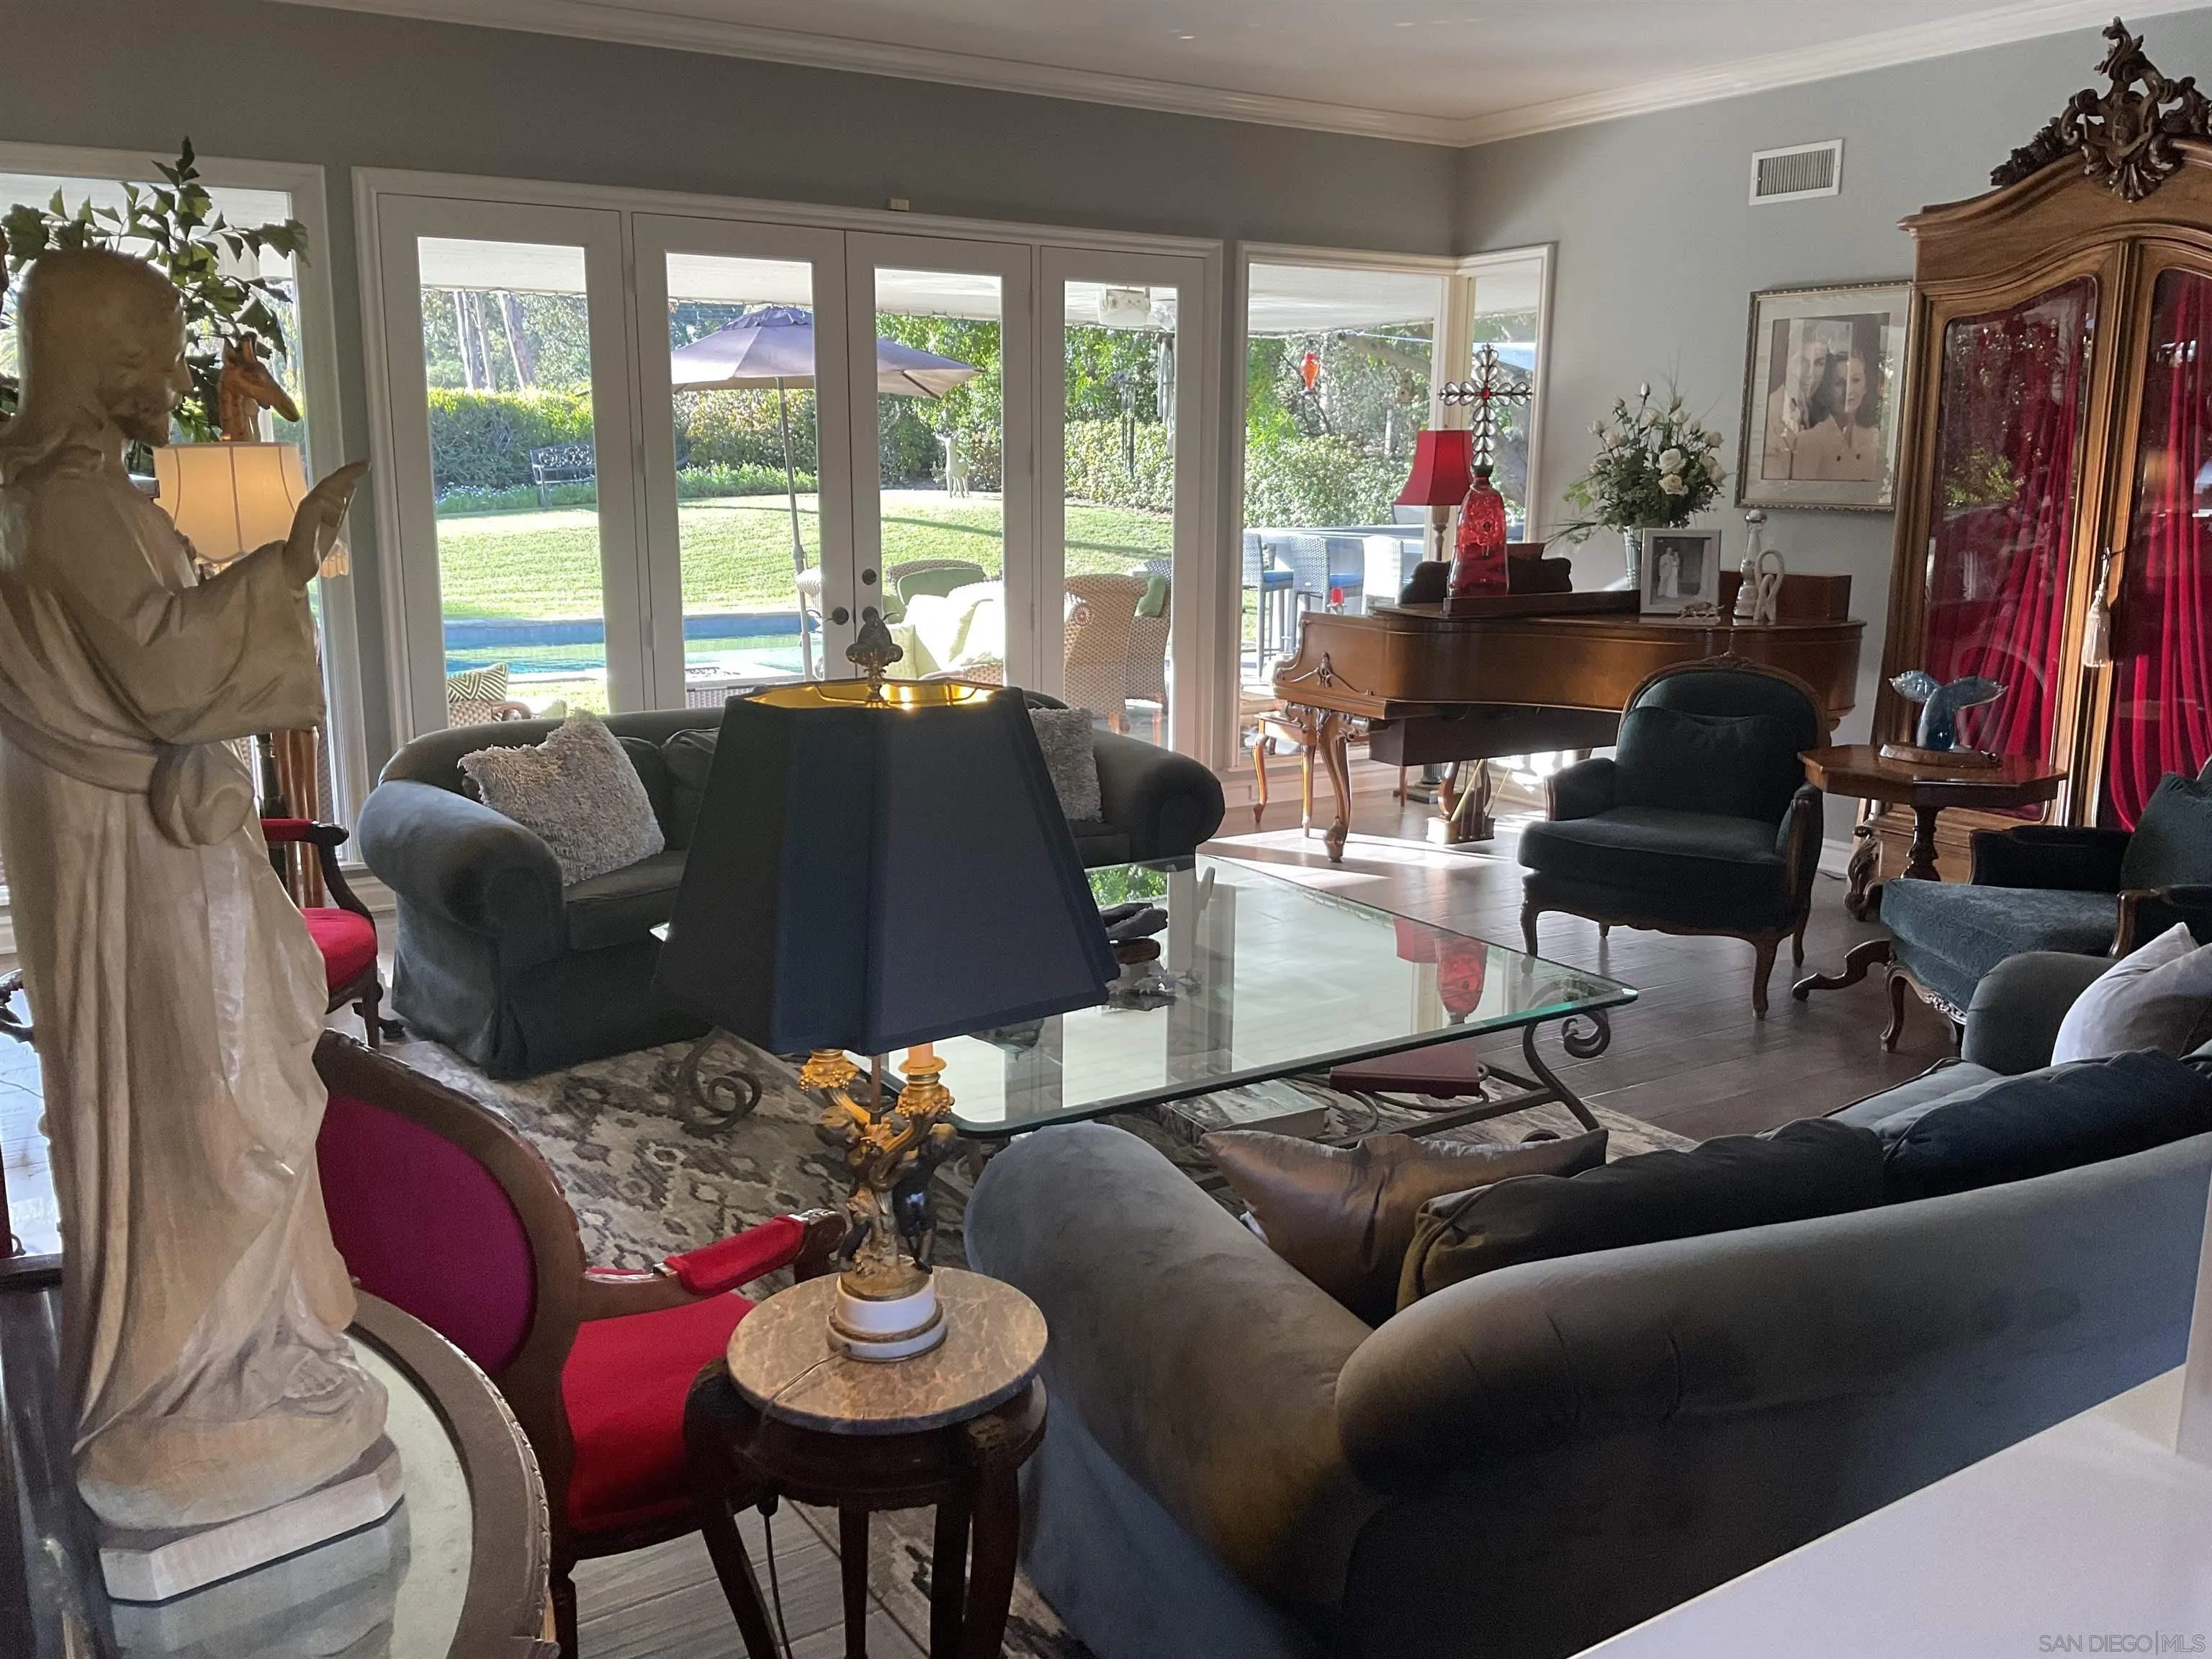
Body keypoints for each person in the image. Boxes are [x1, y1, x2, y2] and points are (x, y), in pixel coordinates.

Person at [0, 248, 382, 1530]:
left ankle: (235, 1361)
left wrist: (273, 566)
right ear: (102, 362)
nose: (177, 376)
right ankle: (210, 1380)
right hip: (150, 873)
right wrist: (286, 562)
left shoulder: (71, 498)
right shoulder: (69, 506)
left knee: (209, 1101)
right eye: (160, 353)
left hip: (146, 850)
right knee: (213, 1108)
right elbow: (168, 680)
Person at [1793, 343, 1884, 483]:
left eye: (1855, 380)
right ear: (1827, 389)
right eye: (1839, 383)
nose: (1848, 391)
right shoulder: (1809, 440)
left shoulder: (1874, 438)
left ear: (1865, 387)